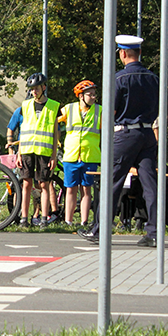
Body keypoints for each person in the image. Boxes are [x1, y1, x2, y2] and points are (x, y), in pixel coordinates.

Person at [78, 35, 159, 247]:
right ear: (139, 53)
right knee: (150, 184)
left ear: (122, 53)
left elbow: (111, 111)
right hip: (148, 134)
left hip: (125, 134)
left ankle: (99, 230)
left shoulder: (119, 79)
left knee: (112, 183)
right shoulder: (153, 78)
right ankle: (154, 232)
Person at [16, 73, 61, 228]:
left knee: (44, 184)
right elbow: (23, 130)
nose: (33, 91)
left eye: (36, 88)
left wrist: (54, 155)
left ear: (43, 87)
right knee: (26, 184)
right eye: (31, 89)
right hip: (27, 149)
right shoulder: (25, 105)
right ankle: (24, 218)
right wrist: (19, 152)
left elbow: (55, 133)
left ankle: (43, 218)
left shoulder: (54, 106)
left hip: (45, 151)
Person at [57, 80, 101, 227]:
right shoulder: (69, 109)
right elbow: (54, 122)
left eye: (95, 94)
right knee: (70, 189)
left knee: (86, 190)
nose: (94, 97)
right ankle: (68, 221)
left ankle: (84, 221)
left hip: (90, 156)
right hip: (71, 156)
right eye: (90, 94)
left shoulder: (99, 111)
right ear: (81, 96)